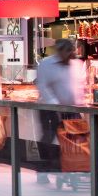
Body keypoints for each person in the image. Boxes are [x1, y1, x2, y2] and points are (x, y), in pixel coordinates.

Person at [33, 38, 81, 175]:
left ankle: (69, 166)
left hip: (72, 108)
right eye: (68, 52)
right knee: (49, 137)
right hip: (48, 108)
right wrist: (55, 105)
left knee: (75, 138)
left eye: (72, 52)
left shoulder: (77, 64)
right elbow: (43, 86)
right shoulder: (46, 64)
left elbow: (78, 85)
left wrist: (80, 103)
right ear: (59, 51)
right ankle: (44, 168)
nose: (71, 55)